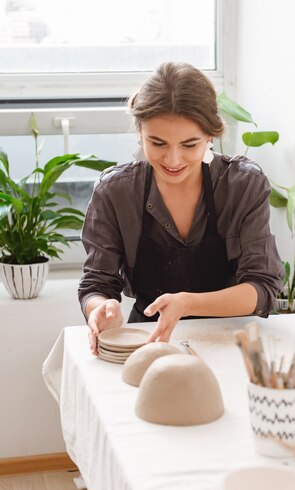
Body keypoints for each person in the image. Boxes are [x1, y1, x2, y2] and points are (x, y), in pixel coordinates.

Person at [79, 61, 283, 354]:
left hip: (232, 343)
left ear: (211, 135)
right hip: (151, 341)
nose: (173, 160)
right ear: (140, 133)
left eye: (189, 145)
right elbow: (97, 283)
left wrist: (188, 303)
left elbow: (263, 288)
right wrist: (99, 307)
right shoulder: (116, 191)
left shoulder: (242, 185)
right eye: (157, 143)